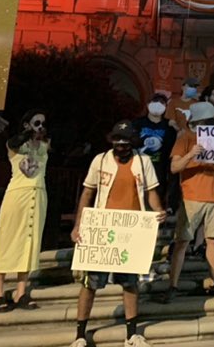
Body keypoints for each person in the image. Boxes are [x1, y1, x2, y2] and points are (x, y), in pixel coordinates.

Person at [70, 121, 166, 347]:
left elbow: (150, 191)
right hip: (102, 229)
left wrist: (158, 210)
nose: (120, 148)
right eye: (117, 143)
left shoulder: (142, 162)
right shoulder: (100, 160)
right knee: (90, 283)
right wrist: (78, 225)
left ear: (132, 143)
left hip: (131, 231)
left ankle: (132, 334)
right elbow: (87, 192)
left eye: (125, 143)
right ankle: (80, 335)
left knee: (130, 283)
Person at [159, 102, 214, 301]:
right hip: (192, 197)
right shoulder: (186, 138)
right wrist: (191, 154)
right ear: (202, 121)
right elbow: (174, 167)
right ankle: (173, 286)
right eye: (211, 118)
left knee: (213, 241)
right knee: (182, 241)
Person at [0, 109, 50, 312]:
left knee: (29, 243)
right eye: (36, 123)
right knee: (7, 240)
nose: (41, 127)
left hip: (37, 193)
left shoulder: (44, 146)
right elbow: (14, 142)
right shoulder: (15, 145)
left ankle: (21, 290)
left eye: (43, 123)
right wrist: (28, 131)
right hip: (18, 194)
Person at [133, 91, 176, 205]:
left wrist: (175, 126)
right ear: (148, 105)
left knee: (155, 201)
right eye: (155, 101)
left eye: (162, 103)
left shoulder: (169, 126)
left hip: (159, 171)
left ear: (166, 106)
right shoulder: (138, 123)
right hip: (138, 168)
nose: (158, 104)